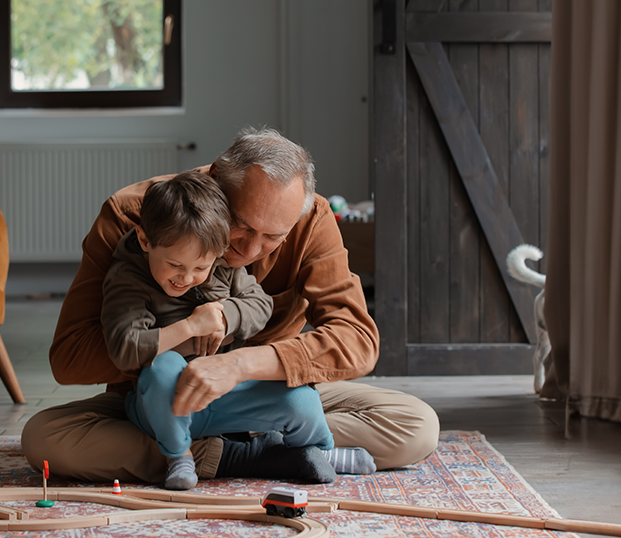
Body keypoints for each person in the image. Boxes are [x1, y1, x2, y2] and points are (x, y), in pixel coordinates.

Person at [23, 128, 439, 486]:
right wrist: (181, 340)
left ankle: (197, 457)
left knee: (416, 426)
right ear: (216, 179)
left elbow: (358, 340)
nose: (249, 250)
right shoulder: (136, 216)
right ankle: (263, 454)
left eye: (272, 237)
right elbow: (70, 358)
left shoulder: (311, 219)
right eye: (240, 225)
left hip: (264, 390)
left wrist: (241, 366)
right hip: (161, 398)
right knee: (44, 438)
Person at [101, 170, 346, 490]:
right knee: (161, 370)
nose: (186, 278)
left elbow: (261, 305)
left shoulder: (222, 266)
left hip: (227, 395)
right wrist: (190, 327)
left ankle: (322, 451)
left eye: (200, 268)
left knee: (300, 396)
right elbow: (125, 348)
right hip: (167, 406)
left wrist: (224, 314)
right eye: (175, 265)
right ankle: (180, 456)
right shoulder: (128, 278)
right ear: (145, 240)